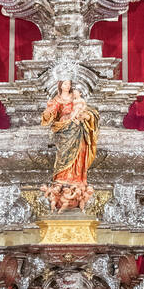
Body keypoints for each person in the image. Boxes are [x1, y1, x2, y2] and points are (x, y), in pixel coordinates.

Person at [40, 79, 100, 210]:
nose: (67, 86)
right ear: (60, 85)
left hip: (77, 130)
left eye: (68, 84)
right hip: (64, 130)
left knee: (79, 152)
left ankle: (76, 180)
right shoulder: (57, 99)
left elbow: (89, 111)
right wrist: (48, 112)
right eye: (64, 84)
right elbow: (51, 113)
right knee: (63, 154)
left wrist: (86, 116)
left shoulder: (76, 97)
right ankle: (62, 180)